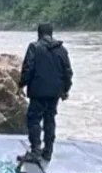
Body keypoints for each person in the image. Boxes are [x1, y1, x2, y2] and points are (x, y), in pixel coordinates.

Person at [18, 22, 73, 163]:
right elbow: (68, 72)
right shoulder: (62, 50)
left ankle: (35, 151)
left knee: (34, 119)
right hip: (55, 92)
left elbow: (28, 69)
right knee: (50, 119)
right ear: (51, 33)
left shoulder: (34, 48)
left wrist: (21, 85)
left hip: (38, 91)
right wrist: (66, 90)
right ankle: (47, 152)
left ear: (39, 33)